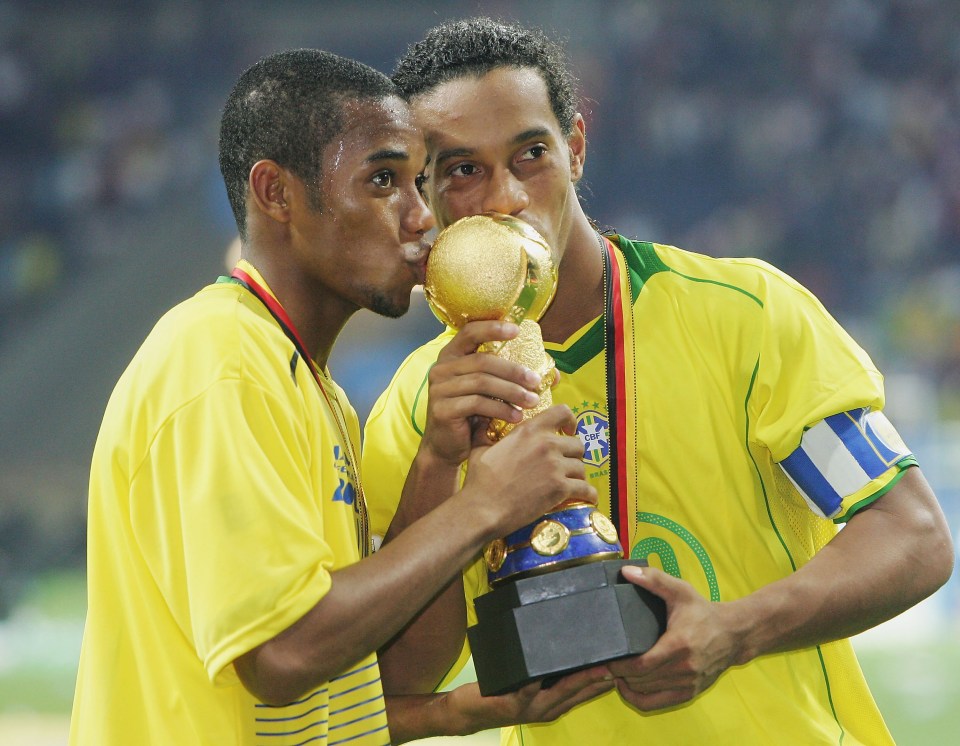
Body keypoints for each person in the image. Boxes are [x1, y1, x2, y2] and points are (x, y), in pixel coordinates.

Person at [361, 18, 956, 746]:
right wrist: (439, 467)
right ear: (424, 196)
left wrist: (733, 631)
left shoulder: (744, 316)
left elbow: (914, 535)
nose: (506, 197)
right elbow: (405, 683)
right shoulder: (421, 406)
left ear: (576, 147)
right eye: (462, 170)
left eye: (531, 155)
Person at [68, 48, 614, 746]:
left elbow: (356, 660)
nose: (422, 218)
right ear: (276, 194)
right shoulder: (220, 363)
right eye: (384, 180)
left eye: (421, 182)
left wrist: (438, 466)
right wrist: (487, 506)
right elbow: (284, 654)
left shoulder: (307, 381)